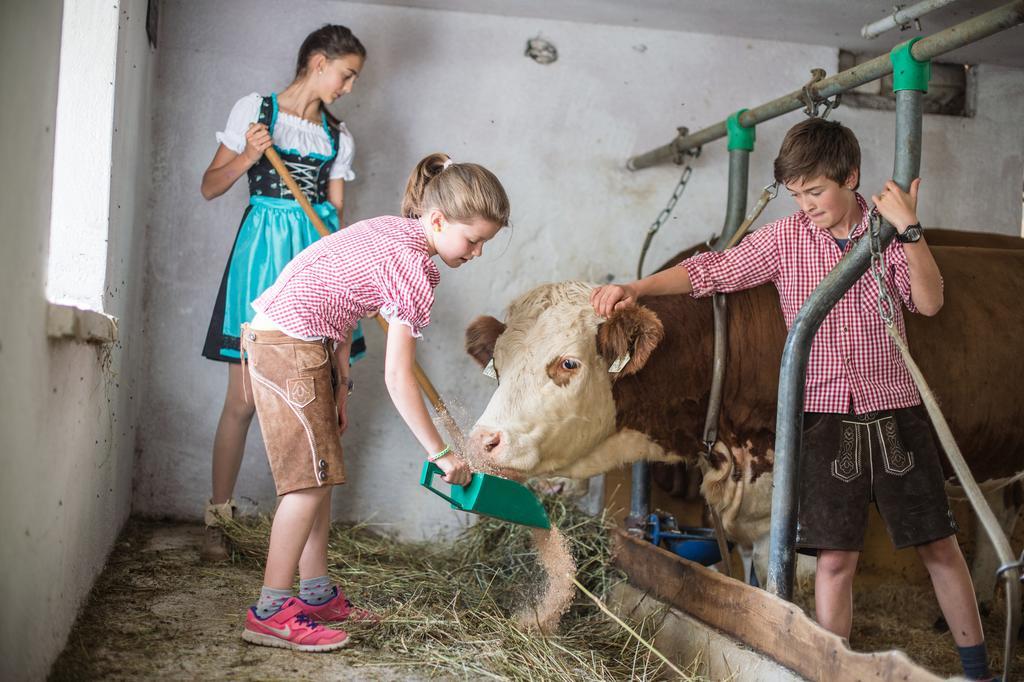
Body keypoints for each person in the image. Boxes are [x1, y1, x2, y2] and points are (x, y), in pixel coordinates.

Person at [591, 118, 993, 680]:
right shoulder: (785, 240)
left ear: (851, 177)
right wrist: (639, 287)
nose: (805, 205)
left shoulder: (884, 232)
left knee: (939, 547)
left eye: (816, 191)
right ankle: (832, 673)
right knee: (834, 560)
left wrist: (911, 230)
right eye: (796, 194)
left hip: (897, 412)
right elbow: (713, 271)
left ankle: (976, 671)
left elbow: (927, 303)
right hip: (823, 417)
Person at [238, 153, 510, 651]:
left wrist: (340, 383)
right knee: (306, 485)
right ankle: (271, 611)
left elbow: (340, 297)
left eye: (484, 243)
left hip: (299, 343)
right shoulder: (412, 267)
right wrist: (440, 452)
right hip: (288, 349)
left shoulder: (393, 231)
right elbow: (398, 376)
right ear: (437, 220)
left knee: (321, 478)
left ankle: (316, 594)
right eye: (473, 240)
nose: (477, 253)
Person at [198, 24, 368, 561]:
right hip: (260, 260)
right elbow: (210, 186)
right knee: (244, 401)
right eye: (347, 75)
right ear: (318, 62)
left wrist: (352, 271)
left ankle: (304, 544)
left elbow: (336, 215)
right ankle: (217, 524)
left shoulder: (339, 138)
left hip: (314, 262)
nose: (348, 88)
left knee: (315, 402)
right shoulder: (256, 110)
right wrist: (250, 154)